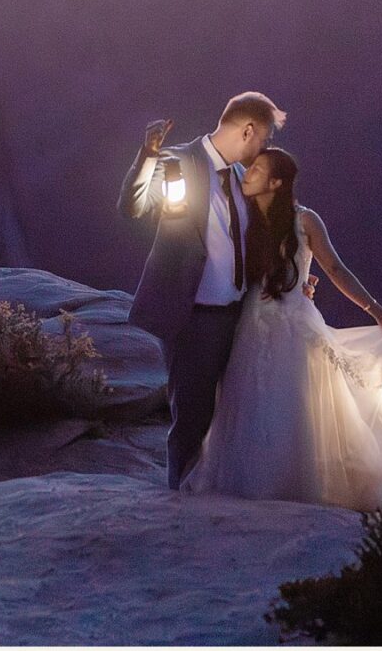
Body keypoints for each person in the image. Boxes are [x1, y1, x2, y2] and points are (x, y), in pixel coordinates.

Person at [179, 146, 382, 510]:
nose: (248, 173)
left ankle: (290, 482)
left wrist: (375, 310)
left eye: (258, 170)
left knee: (289, 400)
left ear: (276, 182)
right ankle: (254, 482)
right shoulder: (243, 218)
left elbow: (336, 269)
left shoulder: (304, 220)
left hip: (292, 322)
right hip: (250, 321)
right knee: (249, 398)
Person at [117, 92, 285, 489]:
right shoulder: (176, 162)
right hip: (193, 318)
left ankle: (220, 497)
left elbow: (256, 242)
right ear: (247, 130)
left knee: (237, 415)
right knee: (192, 416)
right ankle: (182, 503)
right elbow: (133, 206)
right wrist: (147, 154)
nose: (265, 149)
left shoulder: (246, 178)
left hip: (241, 316)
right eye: (262, 139)